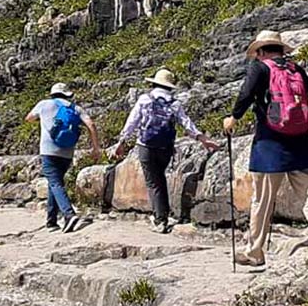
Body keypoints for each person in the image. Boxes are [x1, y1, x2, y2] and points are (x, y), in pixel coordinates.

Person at [223, 30, 308, 266]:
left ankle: (255, 252)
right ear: (281, 49)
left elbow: (247, 93)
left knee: (262, 199)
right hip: (301, 139)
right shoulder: (296, 70)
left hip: (270, 141)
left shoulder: (260, 68)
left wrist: (233, 117)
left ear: (261, 51)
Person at [114, 69, 220, 233]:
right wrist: (202, 139)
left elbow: (132, 122)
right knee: (159, 178)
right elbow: (187, 124)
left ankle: (160, 220)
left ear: (154, 83)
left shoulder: (145, 99)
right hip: (166, 147)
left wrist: (121, 142)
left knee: (153, 182)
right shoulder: (174, 104)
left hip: (146, 146)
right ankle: (162, 213)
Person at [27, 82, 101, 233]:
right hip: (67, 152)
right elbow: (91, 125)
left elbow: (28, 118)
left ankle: (69, 214)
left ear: (52, 94)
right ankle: (51, 221)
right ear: (68, 94)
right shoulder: (75, 108)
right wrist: (95, 148)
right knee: (55, 183)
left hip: (48, 150)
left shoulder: (44, 104)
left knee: (54, 183)